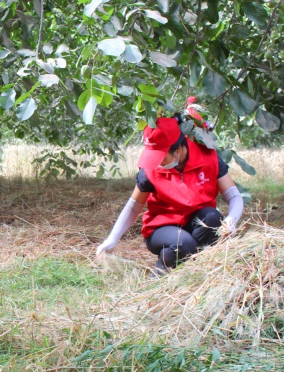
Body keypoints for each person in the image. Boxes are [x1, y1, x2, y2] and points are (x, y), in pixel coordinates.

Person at [96, 116, 244, 274]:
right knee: (183, 244)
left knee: (213, 219)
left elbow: (234, 196)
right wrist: (112, 239)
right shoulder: (150, 170)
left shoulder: (208, 157)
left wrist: (231, 221)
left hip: (195, 223)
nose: (157, 163)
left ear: (178, 149)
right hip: (162, 229)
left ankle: (194, 270)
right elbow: (133, 206)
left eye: (162, 157)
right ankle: (160, 275)